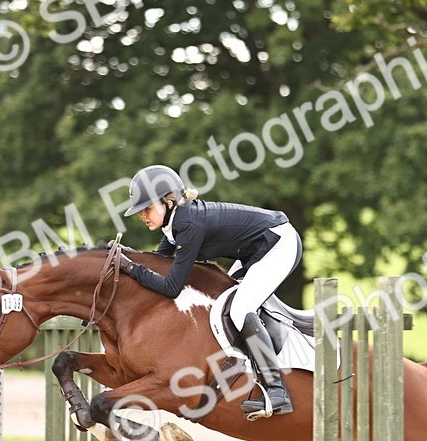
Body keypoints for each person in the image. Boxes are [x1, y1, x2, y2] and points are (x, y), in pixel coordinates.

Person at [118, 165, 301, 419]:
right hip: (256, 251)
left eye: (147, 208)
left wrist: (129, 267)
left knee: (240, 309)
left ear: (168, 201)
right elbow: (157, 262)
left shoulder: (188, 225)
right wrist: (127, 258)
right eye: (140, 211)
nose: (143, 216)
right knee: (224, 302)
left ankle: (276, 390)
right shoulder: (175, 224)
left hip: (278, 244)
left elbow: (172, 287)